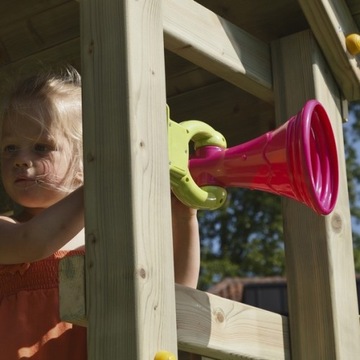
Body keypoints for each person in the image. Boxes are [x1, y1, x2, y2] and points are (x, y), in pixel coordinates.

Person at [0, 67, 200, 359]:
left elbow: (175, 292)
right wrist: (105, 174)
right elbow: (34, 242)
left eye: (41, 147)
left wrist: (184, 217)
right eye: (9, 148)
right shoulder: (8, 230)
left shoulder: (109, 244)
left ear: (84, 162)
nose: (20, 160)